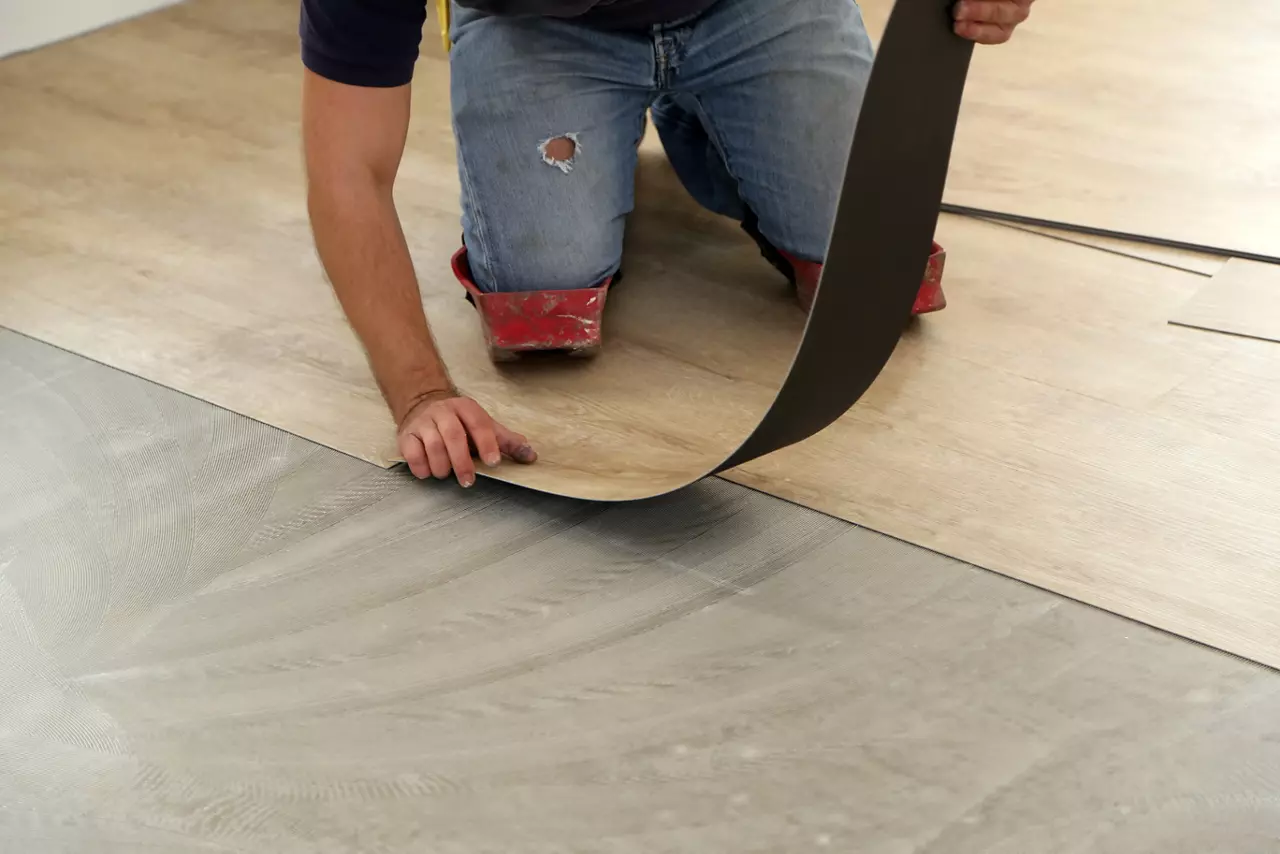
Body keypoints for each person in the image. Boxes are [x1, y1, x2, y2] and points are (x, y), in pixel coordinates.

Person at [299, 0, 1036, 487]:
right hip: (535, 27)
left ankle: (703, 115)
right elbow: (347, 170)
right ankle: (624, 109)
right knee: (540, 302)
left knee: (877, 270)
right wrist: (421, 393)